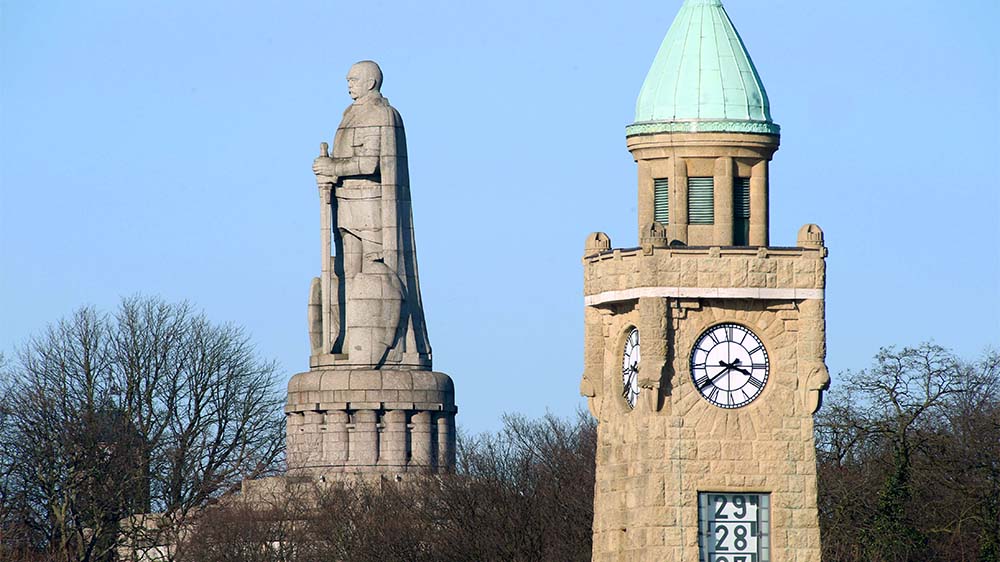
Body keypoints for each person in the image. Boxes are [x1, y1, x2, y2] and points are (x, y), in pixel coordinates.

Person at [311, 61, 431, 368]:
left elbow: (370, 163)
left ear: (370, 82)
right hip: (346, 206)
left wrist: (332, 168)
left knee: (372, 272)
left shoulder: (380, 114)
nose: (348, 84)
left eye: (353, 79)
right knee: (349, 273)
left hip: (372, 208)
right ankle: (351, 336)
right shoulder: (349, 115)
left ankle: (385, 343)